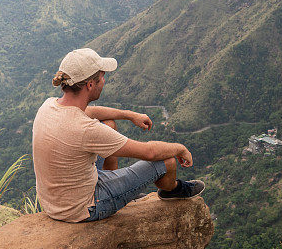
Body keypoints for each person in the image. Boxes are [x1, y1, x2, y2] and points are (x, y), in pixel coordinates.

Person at [31, 47, 205, 223]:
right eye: (102, 77)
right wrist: (180, 149)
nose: (104, 81)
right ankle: (173, 190)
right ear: (90, 85)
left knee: (109, 124)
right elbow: (149, 152)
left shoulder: (49, 106)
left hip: (53, 202)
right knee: (166, 161)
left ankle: (117, 188)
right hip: (83, 207)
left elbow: (90, 112)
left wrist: (130, 115)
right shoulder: (86, 129)